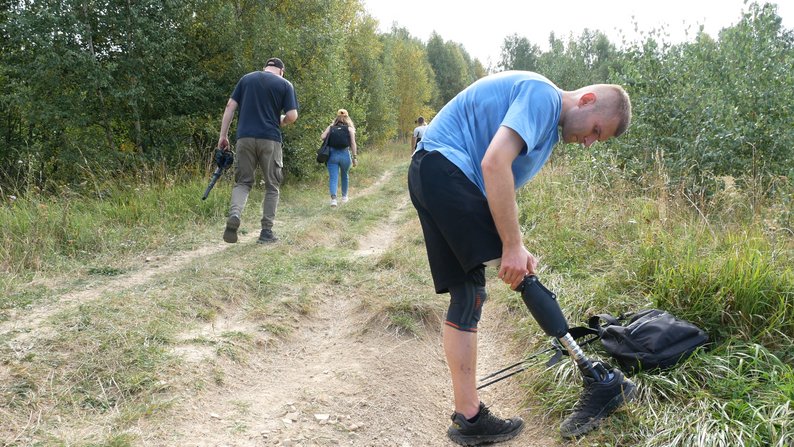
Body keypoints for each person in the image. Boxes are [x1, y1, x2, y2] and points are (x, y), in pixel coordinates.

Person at [407, 71, 634, 445]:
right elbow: (494, 163)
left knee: (468, 296)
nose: (590, 142)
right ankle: (596, 377)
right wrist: (512, 245)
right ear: (588, 100)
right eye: (596, 130)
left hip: (431, 171)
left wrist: (512, 242)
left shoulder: (545, 124)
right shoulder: (544, 98)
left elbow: (499, 180)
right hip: (446, 169)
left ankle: (469, 418)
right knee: (518, 277)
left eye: (598, 139)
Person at [218, 57, 299, 244]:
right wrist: (282, 121)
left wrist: (223, 136)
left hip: (244, 138)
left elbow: (230, 106)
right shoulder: (285, 84)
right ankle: (266, 232)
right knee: (272, 185)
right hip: (270, 139)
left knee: (243, 182)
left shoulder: (246, 79)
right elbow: (292, 115)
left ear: (265, 68)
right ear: (281, 71)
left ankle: (235, 215)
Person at [320, 109, 358, 206]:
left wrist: (330, 134)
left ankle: (333, 200)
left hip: (332, 155)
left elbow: (322, 137)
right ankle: (344, 197)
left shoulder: (331, 127)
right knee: (345, 175)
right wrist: (354, 157)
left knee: (333, 177)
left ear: (337, 117)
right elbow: (353, 143)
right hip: (345, 154)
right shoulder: (349, 128)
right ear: (347, 117)